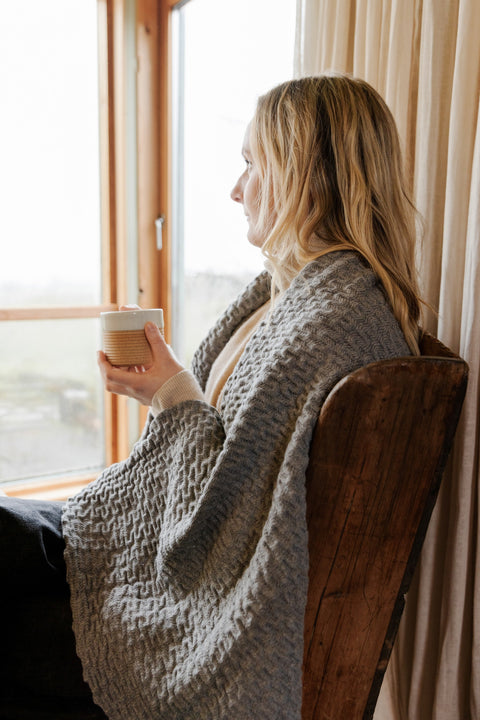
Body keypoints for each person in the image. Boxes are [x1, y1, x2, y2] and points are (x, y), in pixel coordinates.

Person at [0, 74, 423, 720]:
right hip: (145, 544)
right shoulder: (289, 295)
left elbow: (217, 518)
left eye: (252, 164)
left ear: (305, 176)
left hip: (188, 596)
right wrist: (168, 393)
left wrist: (171, 391)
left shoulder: (330, 321)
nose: (235, 189)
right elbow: (230, 458)